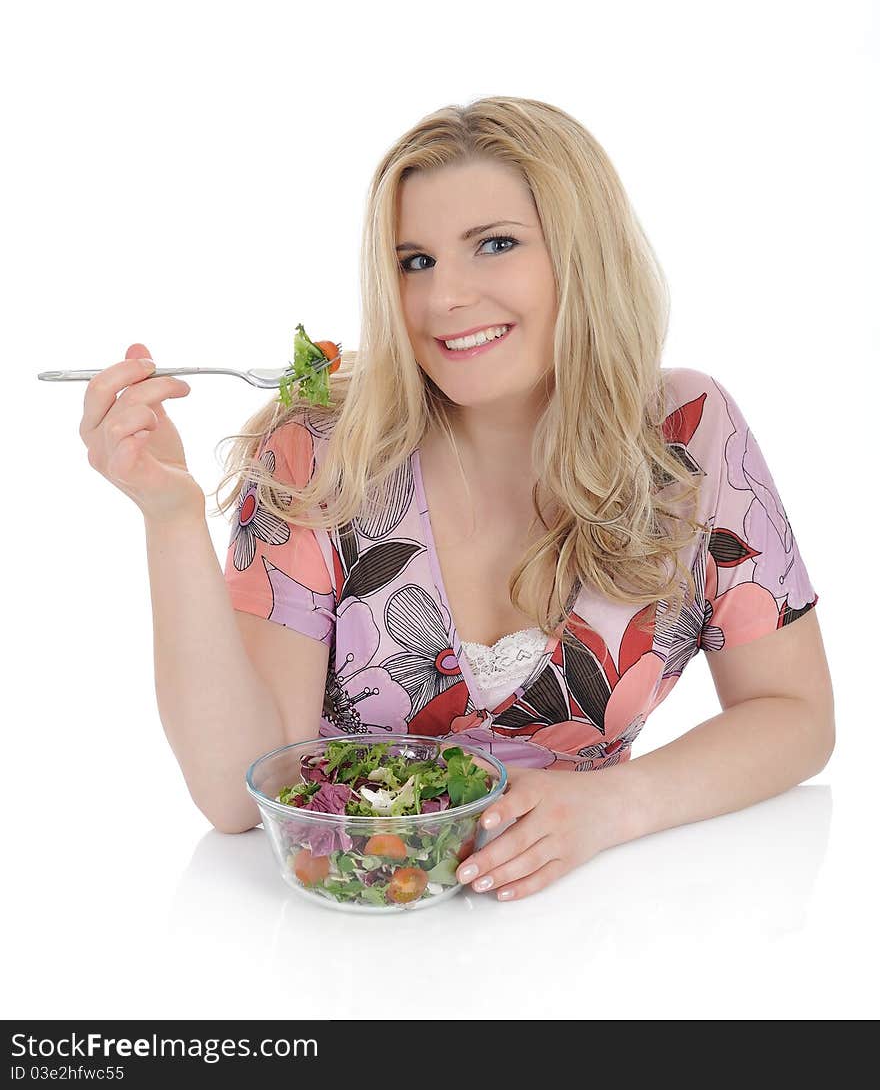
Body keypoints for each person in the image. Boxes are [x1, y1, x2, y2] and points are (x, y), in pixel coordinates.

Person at [80, 96, 834, 904]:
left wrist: (614, 806)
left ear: (585, 256)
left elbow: (795, 715)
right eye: (415, 261)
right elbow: (237, 796)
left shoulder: (691, 436)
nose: (445, 298)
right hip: (347, 936)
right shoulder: (319, 451)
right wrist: (169, 516)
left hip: (595, 933)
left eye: (496, 245)